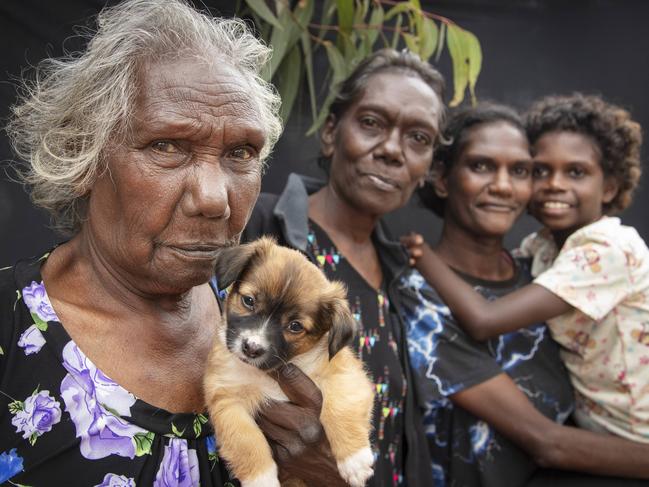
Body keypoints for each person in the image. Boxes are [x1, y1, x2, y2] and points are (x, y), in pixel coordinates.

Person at [0, 1, 341, 485]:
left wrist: (320, 472)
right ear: (83, 155)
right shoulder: (10, 333)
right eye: (167, 146)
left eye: (240, 152)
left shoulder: (273, 326)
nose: (214, 198)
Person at [399, 102, 649, 487]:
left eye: (519, 170)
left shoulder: (548, 269)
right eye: (481, 165)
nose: (503, 185)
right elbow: (546, 442)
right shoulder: (425, 299)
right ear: (442, 178)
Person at [242, 48, 445, 487]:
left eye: (419, 138)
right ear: (332, 132)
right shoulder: (258, 233)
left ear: (427, 168)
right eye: (372, 122)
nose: (392, 150)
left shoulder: (403, 278)